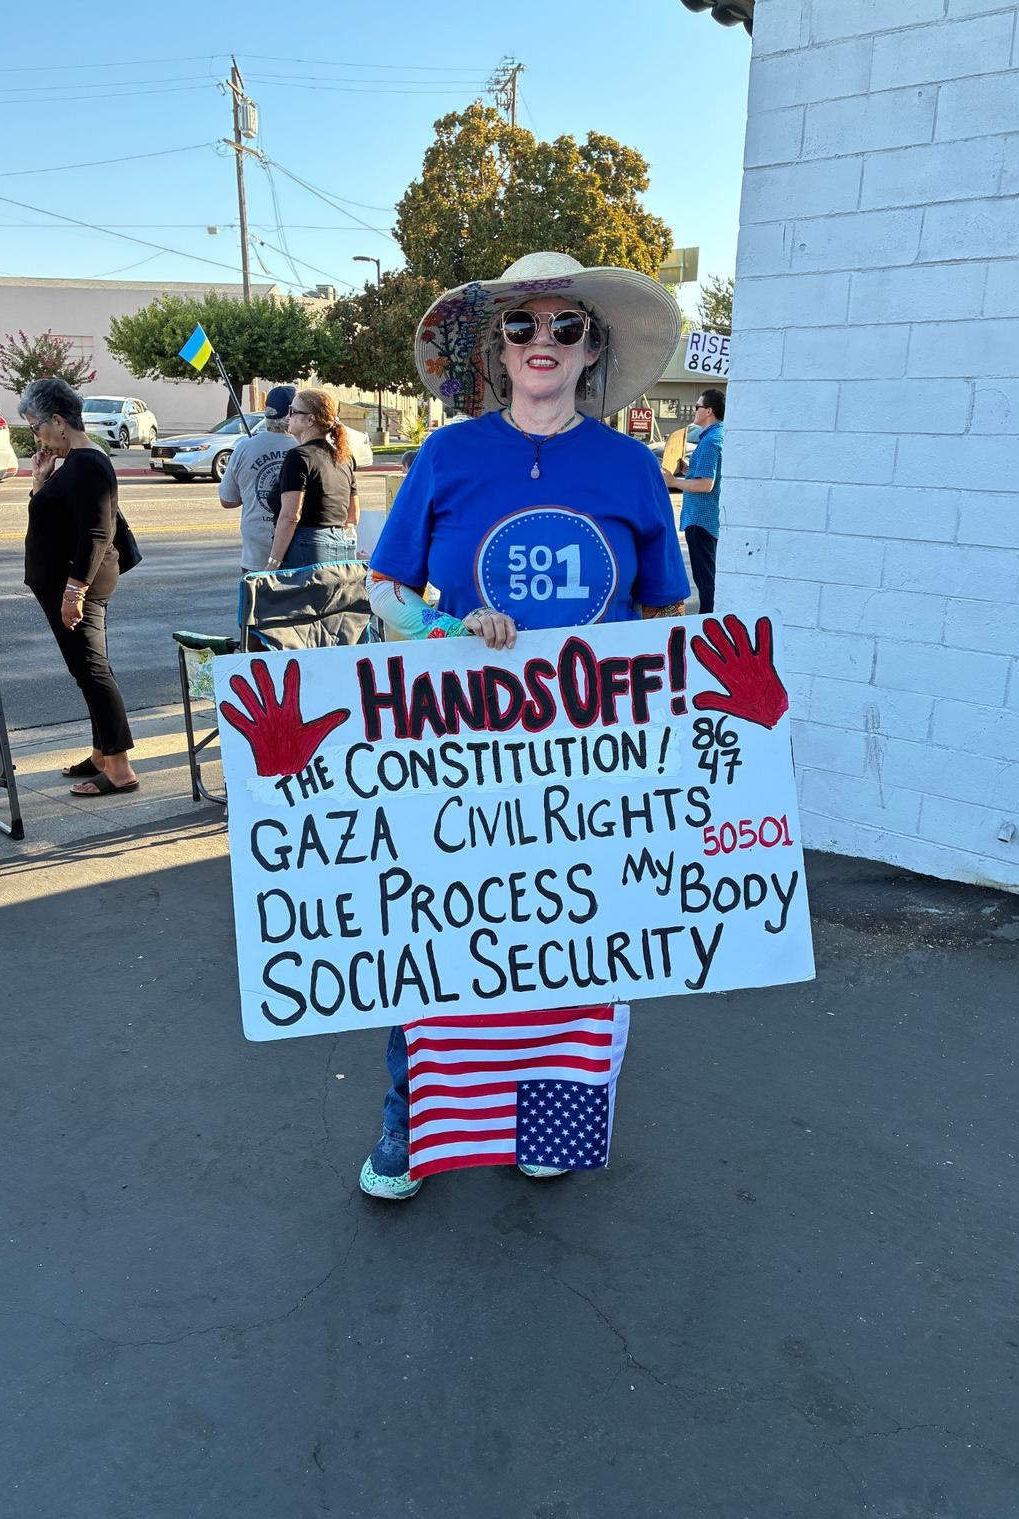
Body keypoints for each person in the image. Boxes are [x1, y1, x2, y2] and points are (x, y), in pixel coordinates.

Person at [361, 249, 690, 1200]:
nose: (542, 340)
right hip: (463, 750)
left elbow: (670, 609)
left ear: (593, 350)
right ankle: (410, 1131)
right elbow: (387, 588)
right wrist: (447, 628)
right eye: (521, 325)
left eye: (565, 326)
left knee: (575, 944)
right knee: (439, 938)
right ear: (495, 350)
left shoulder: (631, 468)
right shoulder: (447, 455)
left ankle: (548, 1126)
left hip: (594, 758)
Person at [19, 377, 138, 797]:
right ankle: (101, 753)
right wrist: (40, 481)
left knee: (92, 671)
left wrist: (74, 592)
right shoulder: (74, 463)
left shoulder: (89, 463)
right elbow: (55, 517)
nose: (37, 436)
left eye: (36, 427)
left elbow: (96, 532)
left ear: (57, 420)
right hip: (67, 582)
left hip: (77, 584)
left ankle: (120, 769)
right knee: (85, 671)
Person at [264, 389, 359, 572]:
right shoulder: (342, 458)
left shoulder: (299, 457)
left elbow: (291, 516)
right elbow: (353, 515)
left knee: (301, 601)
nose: (288, 416)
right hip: (339, 547)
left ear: (310, 419)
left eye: (293, 411)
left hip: (305, 549)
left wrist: (273, 562)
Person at [218, 385, 297, 575]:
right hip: (298, 551)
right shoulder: (305, 447)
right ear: (292, 414)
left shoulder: (244, 448)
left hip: (255, 555)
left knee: (255, 604)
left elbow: (228, 500)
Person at [665, 388, 725, 614]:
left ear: (708, 411)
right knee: (707, 575)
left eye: (698, 406)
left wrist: (674, 481)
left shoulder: (711, 441)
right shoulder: (715, 436)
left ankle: (707, 621)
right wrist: (687, 469)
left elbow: (706, 484)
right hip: (704, 518)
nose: (694, 409)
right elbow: (706, 475)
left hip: (701, 519)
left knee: (705, 578)